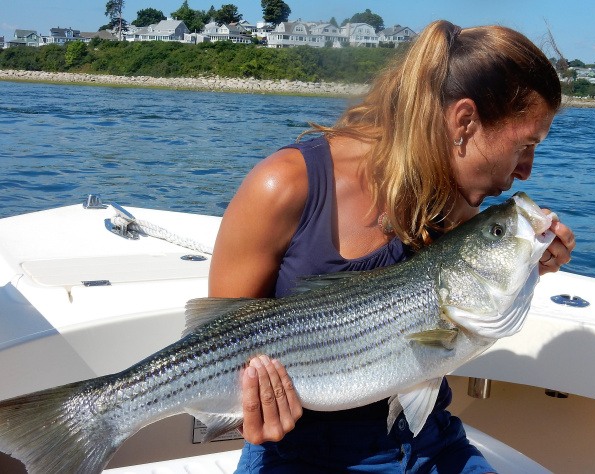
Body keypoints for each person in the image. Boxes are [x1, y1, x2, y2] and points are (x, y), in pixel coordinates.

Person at [208, 20, 575, 473]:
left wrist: (526, 268)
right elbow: (215, 344)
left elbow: (446, 337)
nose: (527, 172)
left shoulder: (455, 203)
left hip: (431, 447)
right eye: (525, 145)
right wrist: (252, 412)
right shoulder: (284, 186)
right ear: (464, 121)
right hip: (298, 456)